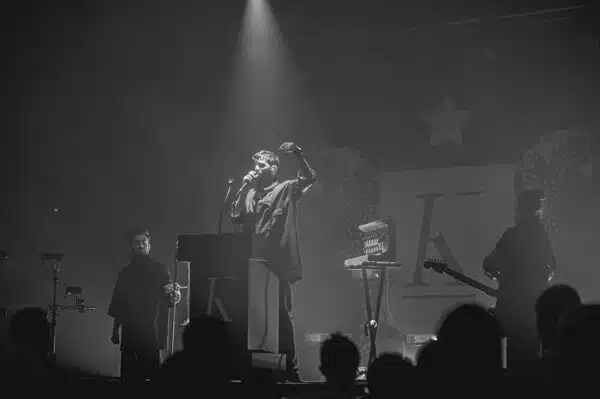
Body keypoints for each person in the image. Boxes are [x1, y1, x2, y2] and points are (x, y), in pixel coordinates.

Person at [230, 142, 316, 381]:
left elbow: (309, 178)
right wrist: (243, 187)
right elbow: (235, 216)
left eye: (262, 164)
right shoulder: (249, 193)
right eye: (255, 164)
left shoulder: (286, 189)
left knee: (281, 317)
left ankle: (291, 369)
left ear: (274, 167)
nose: (256, 168)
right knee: (252, 317)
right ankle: (255, 368)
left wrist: (299, 154)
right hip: (252, 264)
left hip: (276, 265)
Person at [483, 189, 556, 367]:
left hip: (511, 311)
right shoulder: (543, 238)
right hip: (534, 312)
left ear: (522, 209)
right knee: (530, 358)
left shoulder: (512, 235)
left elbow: (489, 264)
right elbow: (552, 269)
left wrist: (502, 277)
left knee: (509, 359)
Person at [108, 228, 181, 381]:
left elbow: (169, 297)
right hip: (129, 331)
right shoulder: (125, 273)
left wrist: (175, 296)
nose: (141, 246)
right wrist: (115, 330)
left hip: (151, 330)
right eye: (137, 243)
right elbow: (119, 303)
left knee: (152, 375)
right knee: (128, 377)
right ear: (131, 247)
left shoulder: (160, 270)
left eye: (144, 242)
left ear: (149, 245)